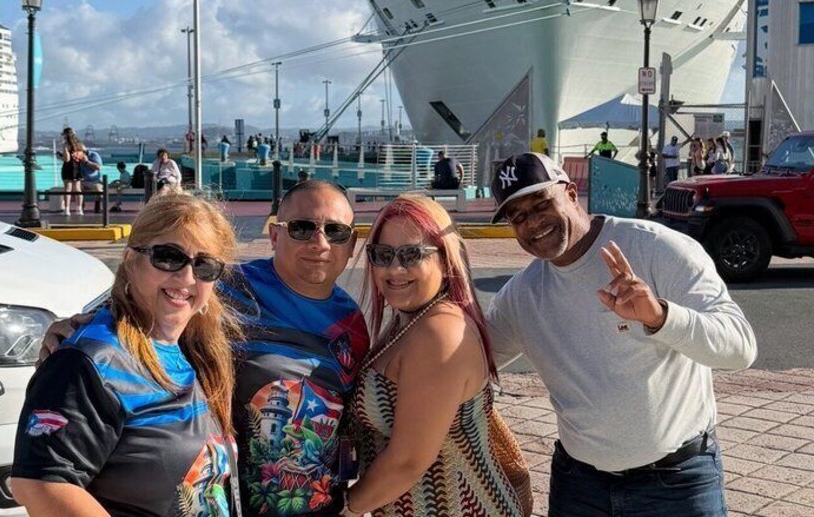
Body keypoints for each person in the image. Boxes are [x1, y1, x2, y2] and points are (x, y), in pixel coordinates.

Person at [40, 180, 371, 516]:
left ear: (351, 243)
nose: (320, 242)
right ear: (274, 235)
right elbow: (137, 302)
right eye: (302, 228)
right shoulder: (224, 285)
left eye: (336, 232)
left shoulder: (352, 322)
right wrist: (75, 329)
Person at [486, 152, 756, 516]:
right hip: (579, 487)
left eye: (541, 203)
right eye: (518, 217)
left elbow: (740, 348)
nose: (533, 222)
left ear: (571, 193)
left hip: (678, 484)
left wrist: (660, 317)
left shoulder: (656, 248)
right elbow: (466, 363)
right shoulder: (521, 296)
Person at [12, 193, 240, 516]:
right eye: (168, 257)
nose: (187, 277)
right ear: (131, 259)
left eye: (204, 266)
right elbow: (39, 485)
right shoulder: (93, 360)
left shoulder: (194, 349)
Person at [341, 194, 526, 517]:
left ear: (445, 258)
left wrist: (345, 507)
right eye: (382, 255)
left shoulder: (439, 333)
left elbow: (408, 462)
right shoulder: (410, 320)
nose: (394, 269)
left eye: (412, 254)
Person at [58, 127, 84, 216]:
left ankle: (67, 209)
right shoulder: (79, 144)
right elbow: (82, 156)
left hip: (68, 168)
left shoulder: (66, 145)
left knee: (67, 189)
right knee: (78, 189)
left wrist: (60, 156)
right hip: (78, 167)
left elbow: (67, 159)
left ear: (65, 135)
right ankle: (79, 209)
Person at [79, 144, 104, 213]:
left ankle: (97, 207)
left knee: (98, 190)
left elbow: (98, 167)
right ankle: (81, 207)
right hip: (83, 180)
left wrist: (87, 162)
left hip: (95, 180)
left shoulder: (94, 155)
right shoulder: (78, 157)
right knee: (77, 189)